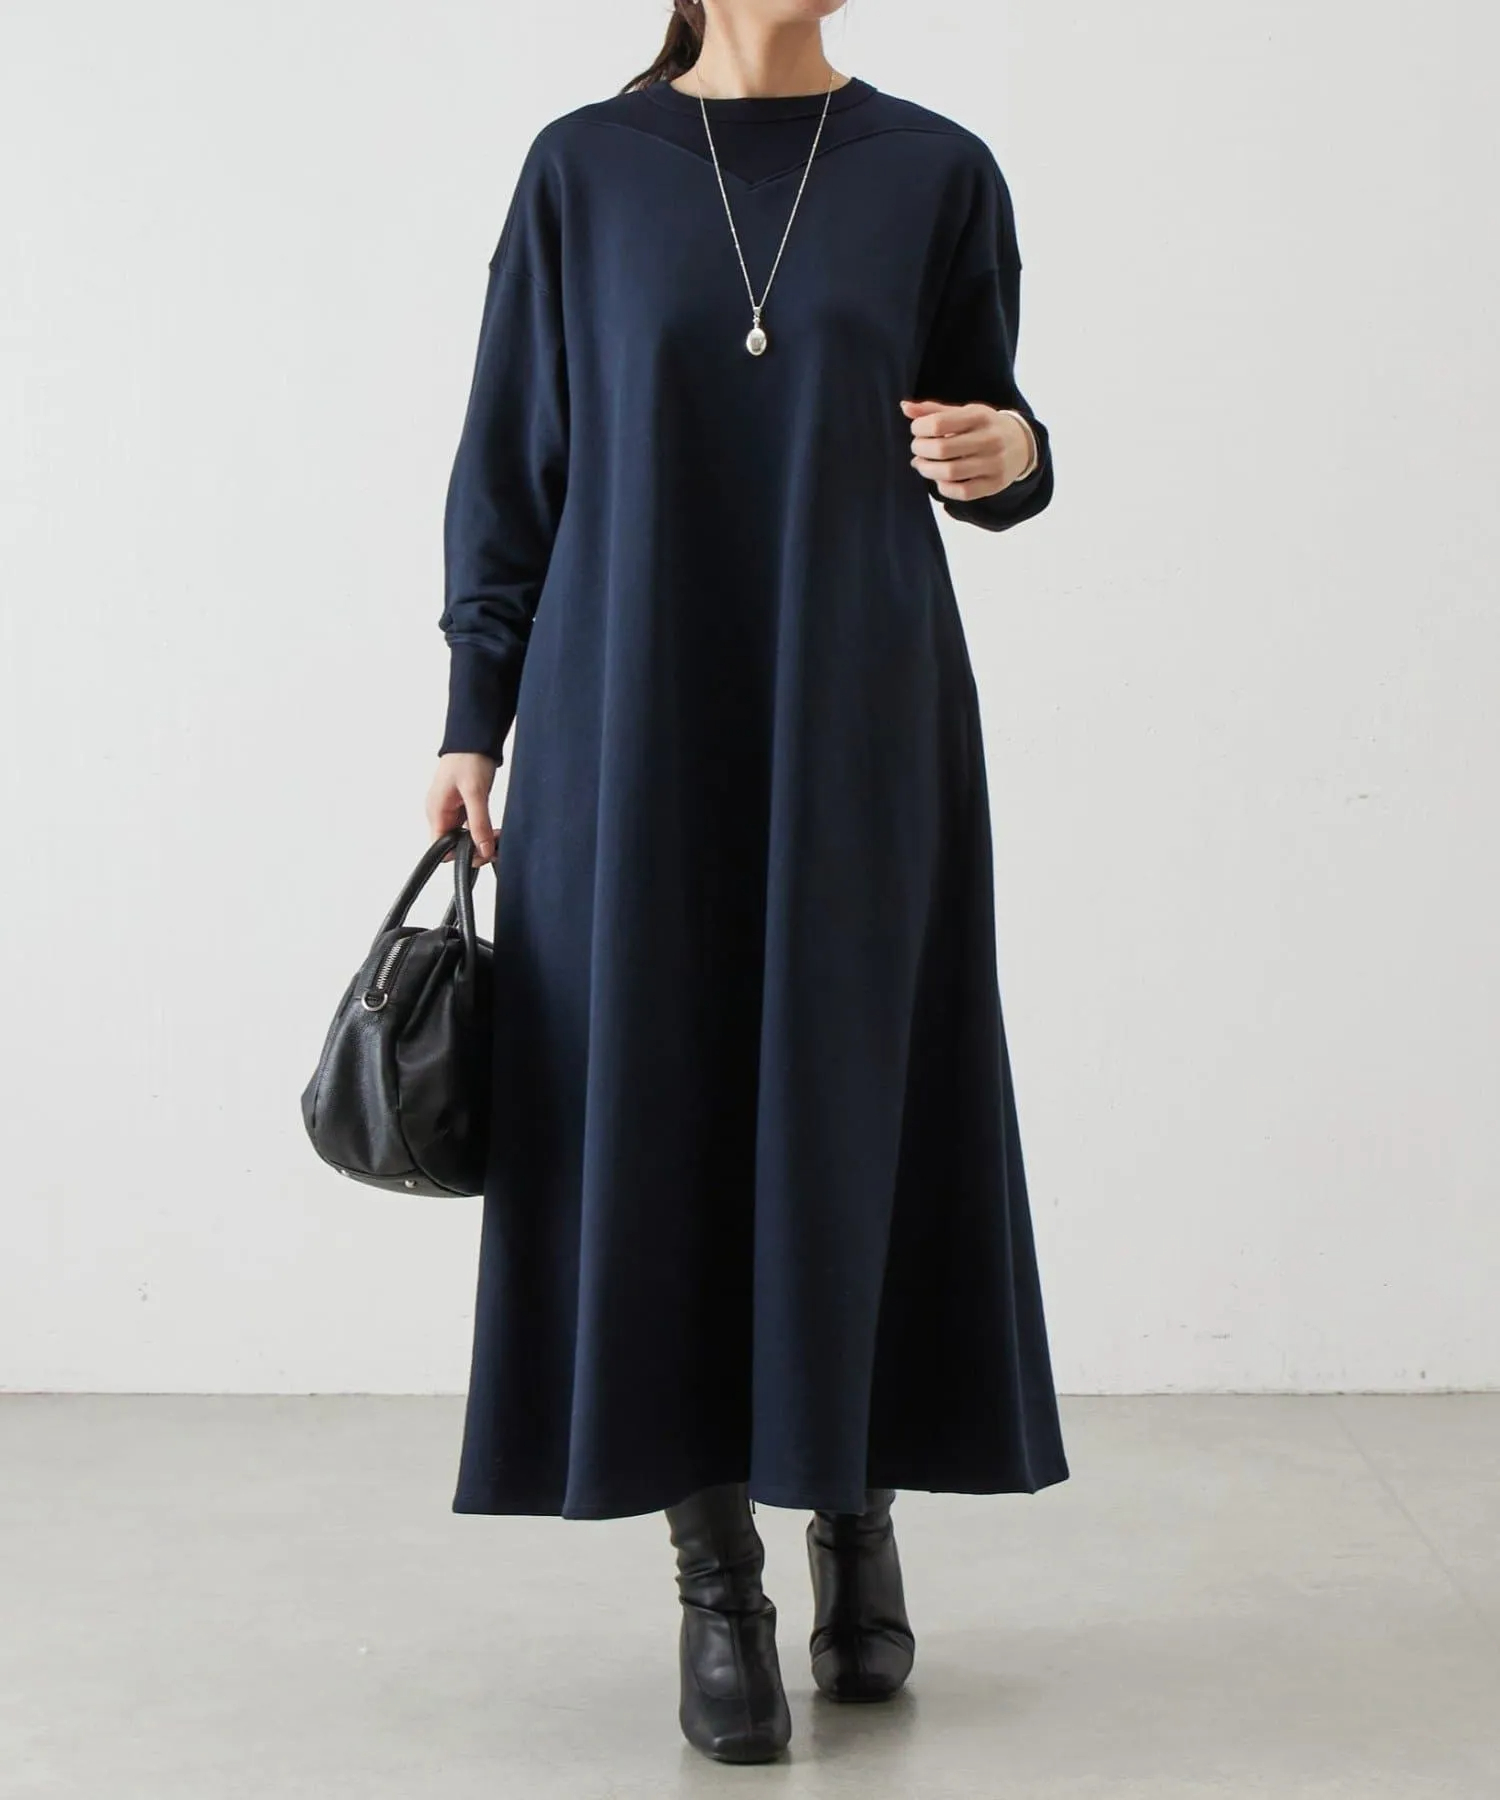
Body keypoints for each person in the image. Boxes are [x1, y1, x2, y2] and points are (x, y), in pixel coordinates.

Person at [424, 0, 1069, 1764]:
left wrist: (1014, 457)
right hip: (627, 715)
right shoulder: (584, 171)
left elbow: (990, 430)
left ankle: (855, 1510)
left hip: (860, 709)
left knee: (854, 1107)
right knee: (655, 1113)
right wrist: (476, 715)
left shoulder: (934, 169)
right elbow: (513, 457)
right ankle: (719, 1585)